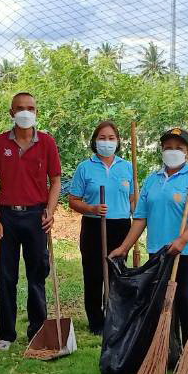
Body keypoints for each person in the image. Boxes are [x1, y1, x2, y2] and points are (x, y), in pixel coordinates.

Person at [110, 126, 188, 345]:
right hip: (158, 252)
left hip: (186, 253)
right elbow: (141, 218)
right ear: (162, 150)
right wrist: (124, 248)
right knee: (162, 303)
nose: (173, 151)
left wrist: (182, 240)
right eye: (168, 147)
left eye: (179, 148)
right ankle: (169, 350)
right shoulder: (152, 180)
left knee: (185, 300)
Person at [0, 92, 62, 351]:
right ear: (11, 113)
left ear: (36, 112)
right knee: (5, 277)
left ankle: (37, 331)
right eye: (20, 108)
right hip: (6, 216)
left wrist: (50, 211)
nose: (25, 112)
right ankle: (6, 334)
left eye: (30, 108)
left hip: (37, 216)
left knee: (37, 276)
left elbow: (56, 181)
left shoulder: (47, 142)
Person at [66, 120, 135, 332]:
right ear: (95, 141)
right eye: (102, 138)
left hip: (121, 226)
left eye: (111, 138)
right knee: (94, 274)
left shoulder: (127, 167)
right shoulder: (85, 167)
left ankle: (115, 318)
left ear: (118, 141)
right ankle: (96, 322)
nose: (107, 142)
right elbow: (73, 200)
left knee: (117, 273)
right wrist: (92, 208)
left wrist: (137, 215)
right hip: (94, 226)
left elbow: (133, 198)